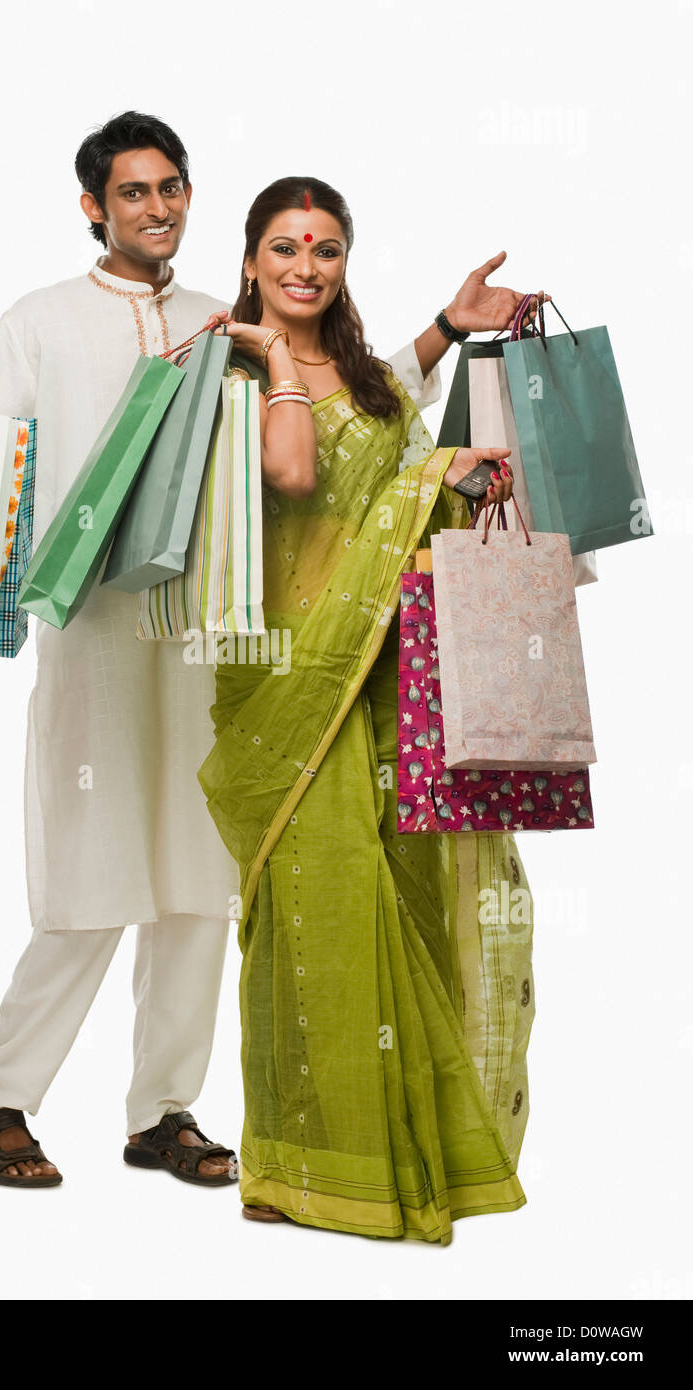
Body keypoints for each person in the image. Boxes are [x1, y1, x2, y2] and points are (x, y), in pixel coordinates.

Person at [0, 113, 529, 1191]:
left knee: (200, 879)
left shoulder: (223, 317)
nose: (158, 208)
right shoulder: (39, 322)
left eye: (173, 189)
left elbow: (345, 409)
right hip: (96, 631)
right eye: (136, 192)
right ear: (94, 205)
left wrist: (438, 333)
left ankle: (163, 1110)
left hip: (212, 631)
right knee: (94, 874)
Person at [198, 175, 533, 1243]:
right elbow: (296, 479)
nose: (306, 266)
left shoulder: (358, 370)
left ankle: (397, 1149)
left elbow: (379, 428)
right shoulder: (235, 369)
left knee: (399, 891)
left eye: (328, 249)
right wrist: (278, 356)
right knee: (304, 911)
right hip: (287, 675)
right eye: (286, 247)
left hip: (384, 670)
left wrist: (447, 339)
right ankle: (290, 1161)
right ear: (250, 257)